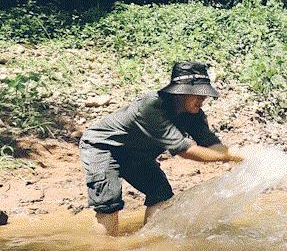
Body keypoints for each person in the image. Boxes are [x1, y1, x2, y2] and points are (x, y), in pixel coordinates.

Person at [78, 61, 242, 235]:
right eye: (197, 93)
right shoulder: (152, 107)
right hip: (103, 147)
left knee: (160, 193)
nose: (203, 98)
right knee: (109, 202)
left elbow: (210, 144)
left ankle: (148, 240)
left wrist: (239, 154)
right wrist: (230, 155)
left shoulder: (194, 114)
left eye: (204, 93)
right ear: (180, 93)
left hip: (136, 153)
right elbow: (185, 151)